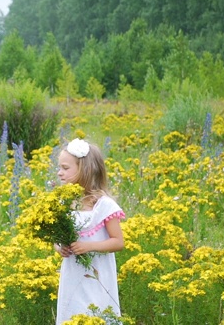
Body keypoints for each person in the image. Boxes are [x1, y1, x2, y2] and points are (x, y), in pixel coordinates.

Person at [53, 138, 125, 324]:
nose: (59, 173)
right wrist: (60, 247)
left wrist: (88, 246)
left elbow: (118, 242)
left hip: (97, 274)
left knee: (95, 312)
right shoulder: (63, 202)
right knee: (73, 311)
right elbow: (57, 238)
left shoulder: (104, 205)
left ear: (85, 169)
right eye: (59, 168)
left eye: (65, 168)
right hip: (72, 273)